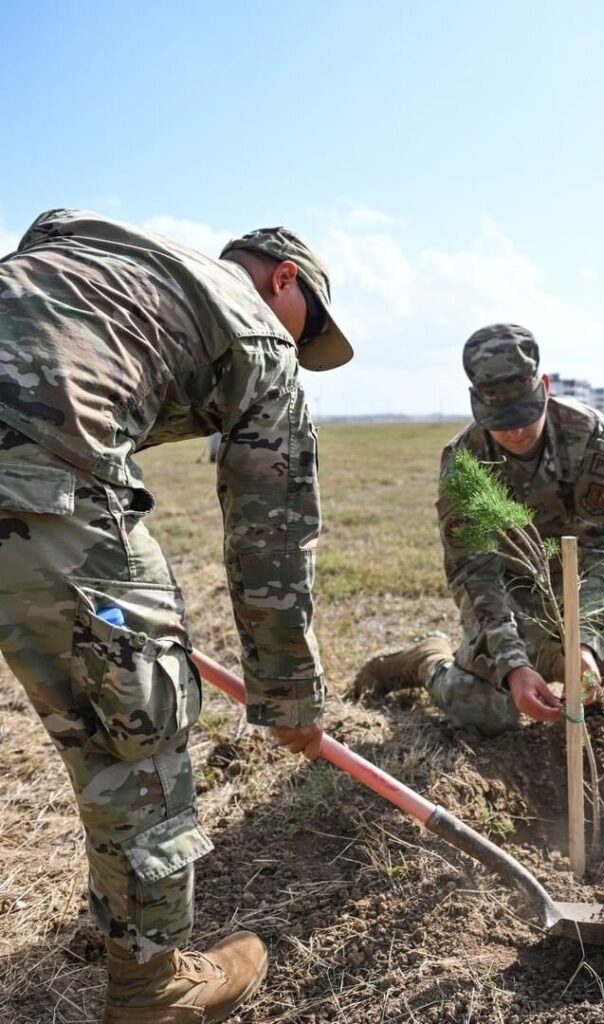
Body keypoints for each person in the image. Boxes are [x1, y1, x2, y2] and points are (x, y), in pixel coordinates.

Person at [0, 209, 352, 1022]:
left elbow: (44, 235)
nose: (302, 349)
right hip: (38, 479)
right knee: (139, 730)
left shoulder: (99, 241)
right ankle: (153, 987)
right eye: (311, 328)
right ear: (284, 281)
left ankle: (127, 925)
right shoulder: (261, 336)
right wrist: (291, 699)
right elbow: (272, 542)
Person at [353, 323, 604, 736]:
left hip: (581, 594)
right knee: (489, 713)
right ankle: (427, 660)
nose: (515, 432)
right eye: (500, 420)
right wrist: (512, 664)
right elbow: (474, 572)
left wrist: (586, 643)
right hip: (513, 603)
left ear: (545, 387)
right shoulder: (465, 461)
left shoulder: (589, 436)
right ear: (476, 403)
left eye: (524, 415)